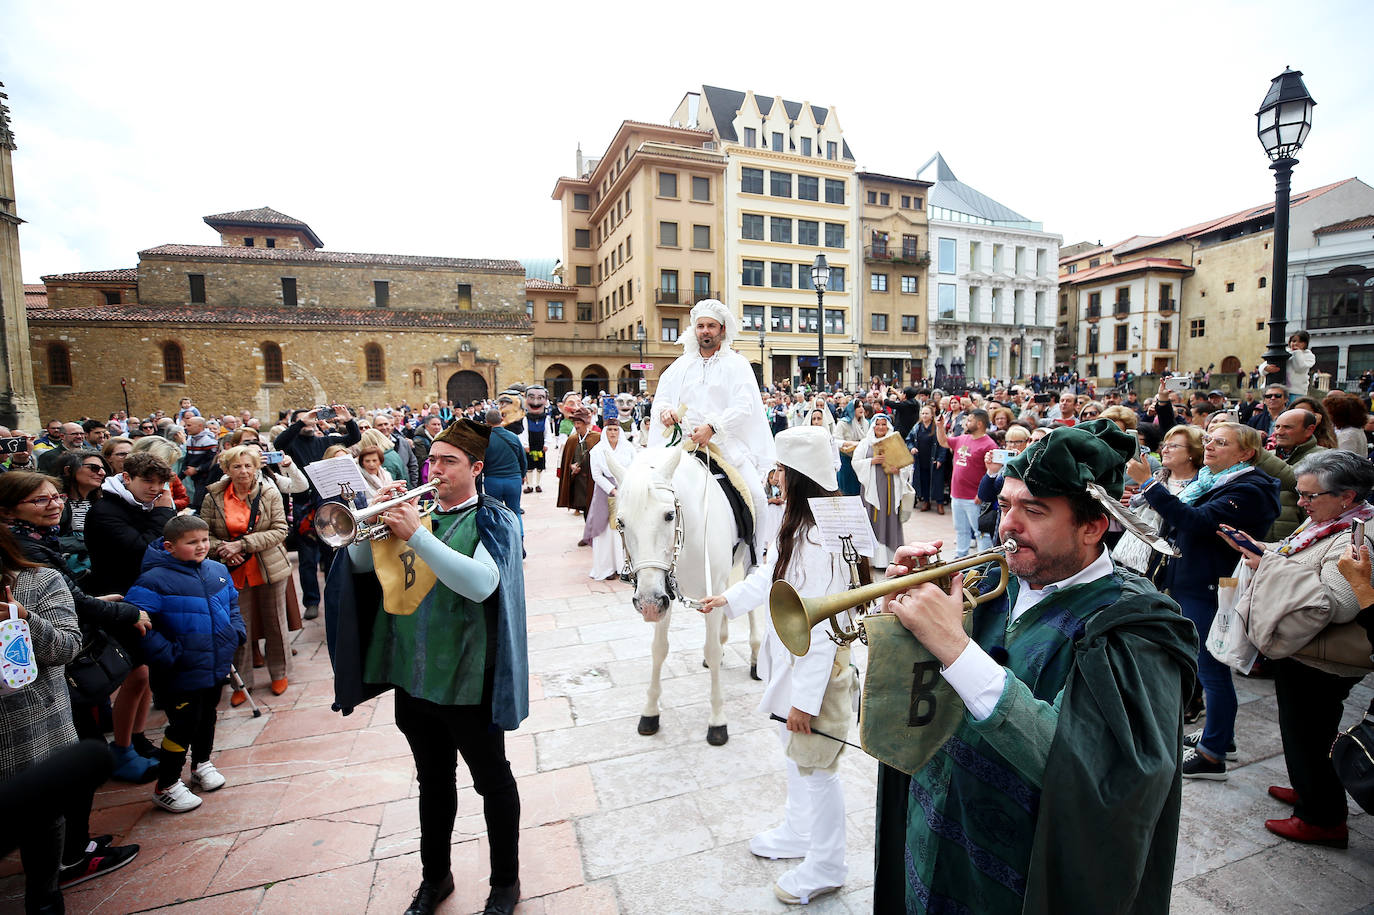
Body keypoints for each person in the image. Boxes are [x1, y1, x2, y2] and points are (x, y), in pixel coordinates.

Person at [873, 422, 1197, 913]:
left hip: (1024, 876)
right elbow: (913, 703)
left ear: (1092, 526)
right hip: (933, 835)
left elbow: (1094, 776)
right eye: (1006, 505)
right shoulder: (986, 581)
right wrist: (904, 617)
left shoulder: (1135, 629)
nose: (1008, 525)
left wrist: (956, 647)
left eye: (1034, 510)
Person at [325, 418, 528, 915]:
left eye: (448, 462)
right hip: (413, 678)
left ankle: (505, 884)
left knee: (492, 781)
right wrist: (371, 524)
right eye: (431, 460)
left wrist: (417, 534)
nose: (434, 469)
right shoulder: (414, 515)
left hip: (467, 678)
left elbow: (482, 584)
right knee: (432, 783)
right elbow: (356, 569)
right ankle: (435, 878)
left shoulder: (494, 519)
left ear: (476, 468)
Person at [699, 426, 857, 906]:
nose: (776, 477)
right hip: (792, 663)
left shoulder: (822, 536)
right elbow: (771, 573)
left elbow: (825, 626)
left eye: (782, 470)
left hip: (816, 673)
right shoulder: (798, 522)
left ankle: (828, 864)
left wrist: (806, 703)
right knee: (796, 755)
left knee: (818, 768)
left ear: (799, 475)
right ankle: (798, 829)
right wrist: (728, 598)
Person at [1220, 450, 1374, 848]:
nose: (1301, 503)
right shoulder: (1327, 518)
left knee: (1309, 731)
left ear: (1347, 496)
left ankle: (1321, 818)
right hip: (1304, 652)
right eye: (1300, 494)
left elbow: (1338, 604)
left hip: (1323, 659)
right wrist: (1261, 548)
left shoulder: (1359, 534)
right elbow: (1291, 552)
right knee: (1305, 731)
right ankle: (1310, 787)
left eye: (1309, 496)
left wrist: (1265, 564)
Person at [1127, 422, 1281, 779]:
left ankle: (1212, 756)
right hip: (1195, 580)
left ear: (1247, 453)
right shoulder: (1215, 480)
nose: (1209, 446)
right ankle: (1220, 737)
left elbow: (1196, 522)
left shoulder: (1250, 489)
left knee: (1211, 669)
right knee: (1206, 666)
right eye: (1209, 439)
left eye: (1221, 442)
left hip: (1211, 585)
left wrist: (1149, 483)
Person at [0, 471, 158, 782]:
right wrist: (125, 613)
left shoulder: (38, 539)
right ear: (7, 510)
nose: (54, 505)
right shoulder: (26, 550)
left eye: (56, 497)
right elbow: (68, 615)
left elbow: (69, 595)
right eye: (40, 500)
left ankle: (126, 749)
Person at [127, 515, 244, 814]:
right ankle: (166, 784)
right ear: (170, 546)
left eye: (204, 540)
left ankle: (201, 764)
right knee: (183, 726)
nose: (201, 546)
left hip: (214, 663)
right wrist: (168, 654)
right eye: (192, 542)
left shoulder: (217, 570)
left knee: (207, 718)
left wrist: (235, 632)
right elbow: (136, 624)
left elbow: (232, 603)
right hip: (179, 671)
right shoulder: (153, 580)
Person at [648, 299, 776, 565]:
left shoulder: (737, 364)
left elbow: (745, 406)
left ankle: (754, 562)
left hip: (725, 447)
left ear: (722, 330)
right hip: (683, 448)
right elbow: (661, 399)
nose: (705, 331)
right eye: (701, 326)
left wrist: (713, 427)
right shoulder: (680, 366)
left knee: (758, 498)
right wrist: (664, 412)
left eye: (711, 326)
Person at [0, 524, 85, 914]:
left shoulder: (39, 581)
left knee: (43, 828)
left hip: (36, 732)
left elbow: (68, 647)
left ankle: (46, 899)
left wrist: (23, 618)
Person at [202, 445, 292, 703]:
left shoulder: (269, 493)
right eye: (237, 466)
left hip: (267, 566)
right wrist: (224, 549)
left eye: (248, 466)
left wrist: (243, 544)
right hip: (232, 568)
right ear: (227, 469)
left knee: (275, 622)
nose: (243, 471)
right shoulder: (213, 497)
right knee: (237, 628)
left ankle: (279, 672)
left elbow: (279, 530)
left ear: (257, 467)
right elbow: (205, 533)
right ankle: (242, 682)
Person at [274, 405, 362, 619]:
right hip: (307, 509)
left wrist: (348, 420)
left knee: (333, 556)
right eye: (305, 420)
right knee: (307, 559)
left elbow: (353, 437)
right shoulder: (292, 443)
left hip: (331, 507)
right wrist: (302, 421)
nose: (311, 422)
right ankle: (311, 601)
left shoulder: (325, 442)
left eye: (313, 420)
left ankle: (336, 600)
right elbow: (279, 443)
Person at [933, 408, 998, 557]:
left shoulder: (989, 445)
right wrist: (940, 427)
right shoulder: (963, 438)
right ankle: (960, 557)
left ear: (980, 423)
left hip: (975, 498)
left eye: (969, 420)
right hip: (957, 494)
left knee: (981, 532)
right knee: (961, 530)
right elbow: (944, 442)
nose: (966, 423)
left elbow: (993, 472)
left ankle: (984, 560)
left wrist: (982, 494)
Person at [850, 414, 911, 569]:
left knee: (890, 518)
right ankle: (873, 560)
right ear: (873, 426)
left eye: (884, 424)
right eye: (878, 424)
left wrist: (899, 470)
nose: (881, 427)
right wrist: (871, 461)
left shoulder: (895, 441)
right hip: (873, 489)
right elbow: (855, 462)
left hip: (891, 489)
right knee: (873, 519)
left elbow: (906, 465)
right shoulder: (865, 443)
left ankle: (891, 557)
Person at [587, 423, 635, 580]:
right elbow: (596, 475)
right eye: (609, 430)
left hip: (626, 489)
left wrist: (625, 487)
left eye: (615, 430)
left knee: (625, 528)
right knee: (606, 530)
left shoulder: (629, 448)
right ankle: (607, 568)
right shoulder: (597, 450)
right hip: (605, 492)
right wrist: (612, 490)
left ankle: (625, 566)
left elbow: (635, 468)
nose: (613, 433)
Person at [480, 409, 527, 538]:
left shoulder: (484, 440)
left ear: (487, 422)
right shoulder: (513, 436)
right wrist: (522, 475)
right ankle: (519, 540)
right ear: (501, 419)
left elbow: (480, 462)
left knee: (496, 513)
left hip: (493, 480)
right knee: (515, 511)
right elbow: (522, 459)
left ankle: (501, 541)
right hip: (513, 479)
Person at [555, 405, 599, 524]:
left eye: (579, 422)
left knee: (594, 508)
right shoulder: (572, 439)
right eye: (575, 422)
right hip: (579, 481)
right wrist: (571, 466)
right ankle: (587, 535)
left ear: (586, 422)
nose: (577, 425)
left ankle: (594, 536)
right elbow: (567, 460)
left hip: (593, 480)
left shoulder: (597, 438)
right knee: (584, 507)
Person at [906, 404, 948, 515]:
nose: (924, 415)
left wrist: (940, 459)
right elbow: (908, 440)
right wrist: (911, 448)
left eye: (926, 413)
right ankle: (926, 501)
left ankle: (939, 503)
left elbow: (943, 444)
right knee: (923, 481)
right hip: (921, 459)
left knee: (937, 482)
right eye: (923, 413)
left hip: (934, 459)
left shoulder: (937, 427)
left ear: (932, 415)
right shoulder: (917, 427)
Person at [516, 385, 554, 493]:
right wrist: (525, 445)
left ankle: (538, 484)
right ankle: (529, 485)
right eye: (531, 397)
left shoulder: (545, 418)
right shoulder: (525, 418)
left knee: (540, 465)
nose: (535, 402)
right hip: (530, 444)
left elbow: (548, 431)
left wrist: (547, 443)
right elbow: (524, 432)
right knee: (529, 466)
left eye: (540, 398)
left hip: (540, 444)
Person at [1262, 329, 1316, 398]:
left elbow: (1299, 368)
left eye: (1300, 342)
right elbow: (1268, 362)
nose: (1296, 344)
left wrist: (1297, 353)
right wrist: (1265, 368)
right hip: (1278, 390)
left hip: (1295, 392)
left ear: (1305, 344)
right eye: (1294, 341)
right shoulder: (1285, 352)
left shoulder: (1309, 356)